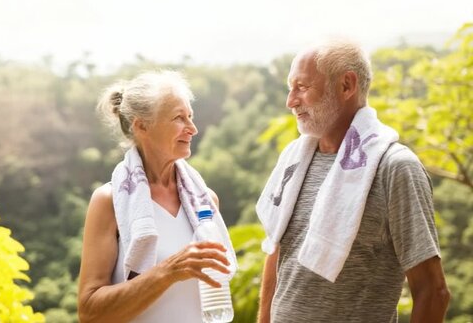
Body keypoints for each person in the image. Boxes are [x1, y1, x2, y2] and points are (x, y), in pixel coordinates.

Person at [256, 40, 450, 323]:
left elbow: (433, 291)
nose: (290, 101)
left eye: (302, 87)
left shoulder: (394, 168)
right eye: (290, 87)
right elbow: (275, 257)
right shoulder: (293, 160)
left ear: (346, 85)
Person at [78, 71, 235, 323]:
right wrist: (168, 271)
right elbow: (90, 312)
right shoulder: (109, 201)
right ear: (142, 126)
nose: (192, 129)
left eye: (190, 117)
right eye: (178, 118)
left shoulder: (205, 202)